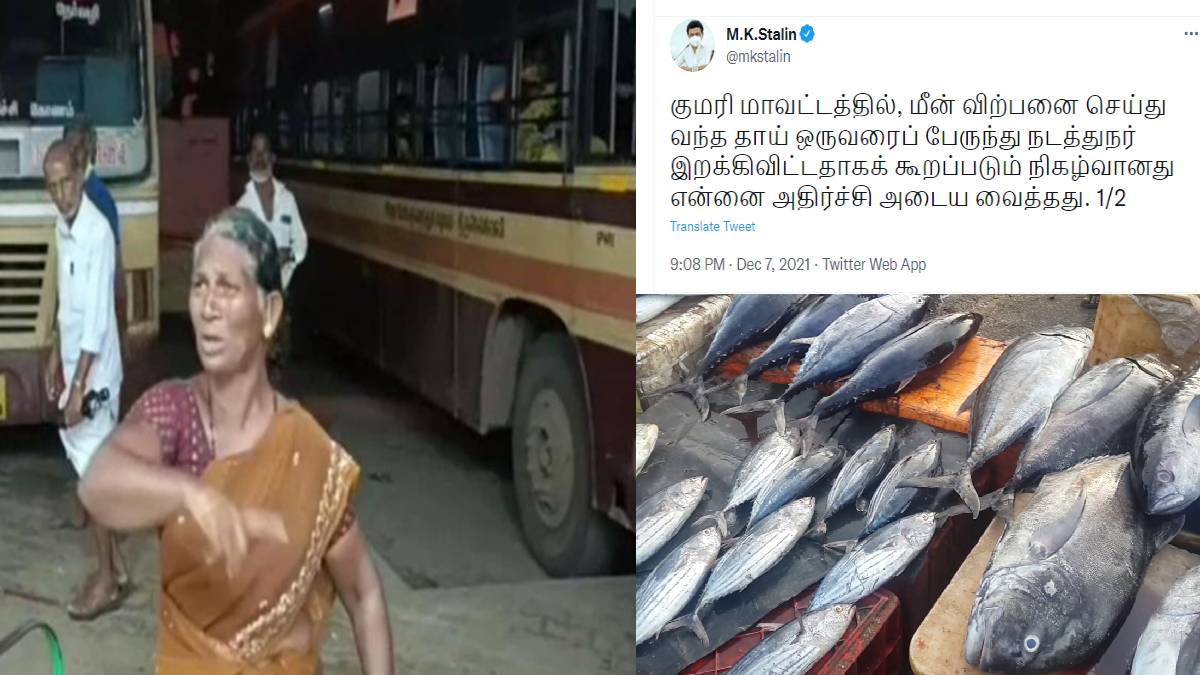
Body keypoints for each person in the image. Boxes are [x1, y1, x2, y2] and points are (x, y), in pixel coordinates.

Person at [79, 207, 394, 674]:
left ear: (268, 312)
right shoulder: (176, 413)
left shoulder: (305, 448)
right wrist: (190, 493)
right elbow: (97, 485)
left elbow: (364, 591)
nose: (207, 307)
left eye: (226, 287)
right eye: (199, 285)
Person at [42, 139, 127, 620]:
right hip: (74, 362)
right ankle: (114, 568)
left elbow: (95, 321)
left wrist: (77, 391)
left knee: (94, 482)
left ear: (80, 175)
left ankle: (106, 580)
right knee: (94, 473)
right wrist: (56, 350)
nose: (60, 195)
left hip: (94, 375)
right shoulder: (62, 224)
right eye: (52, 188)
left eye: (66, 183)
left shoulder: (96, 232)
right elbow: (67, 301)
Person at [63, 117, 126, 345]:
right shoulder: (68, 195)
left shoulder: (99, 198)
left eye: (80, 148)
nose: (75, 155)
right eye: (70, 148)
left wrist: (121, 329)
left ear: (91, 150)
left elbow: (115, 269)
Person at [236, 133, 307, 291]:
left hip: (283, 295)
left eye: (265, 151)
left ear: (273, 158)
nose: (260, 157)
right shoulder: (241, 207)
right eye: (255, 151)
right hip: (253, 297)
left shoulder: (287, 199)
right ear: (249, 159)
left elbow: (301, 240)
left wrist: (289, 256)